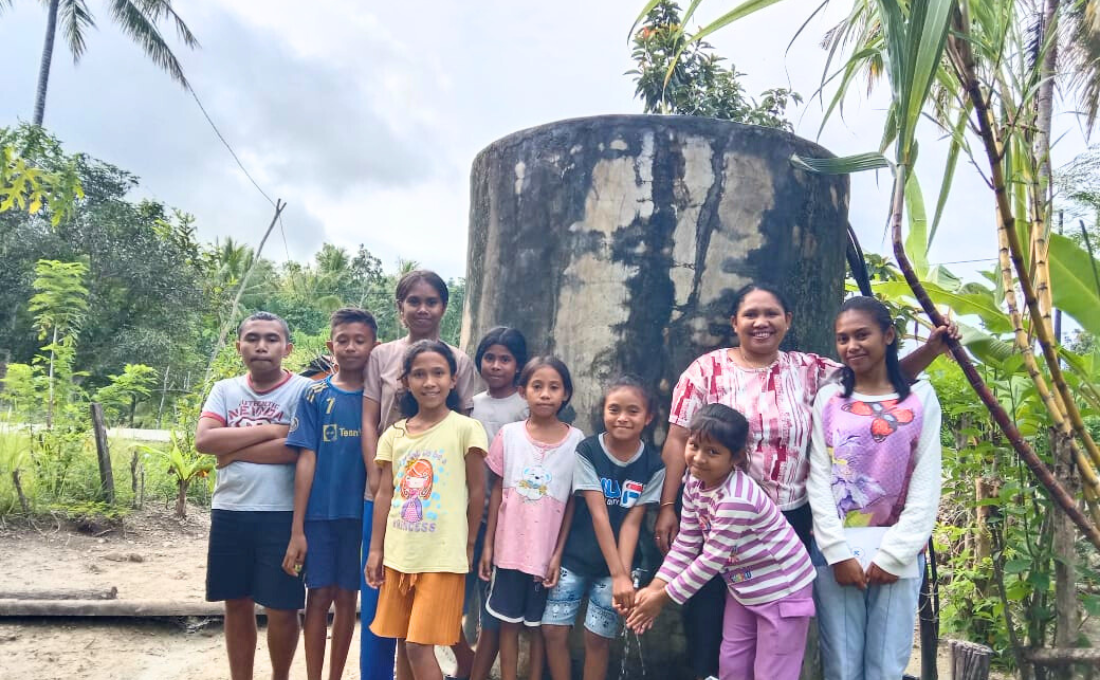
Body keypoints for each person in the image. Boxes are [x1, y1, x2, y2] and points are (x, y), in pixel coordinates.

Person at [654, 283, 954, 679]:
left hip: (786, 521)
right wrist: (668, 506)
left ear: (788, 320)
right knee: (714, 624)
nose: (761, 322)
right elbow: (678, 439)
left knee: (776, 630)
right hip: (715, 516)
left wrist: (931, 350)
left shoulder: (810, 370)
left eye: (771, 313)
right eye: (750, 314)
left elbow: (875, 379)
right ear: (734, 322)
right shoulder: (705, 370)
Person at [627, 403, 816, 680]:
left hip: (783, 591)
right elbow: (687, 543)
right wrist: (655, 587)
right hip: (743, 589)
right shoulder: (694, 482)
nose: (699, 458)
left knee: (773, 672)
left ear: (736, 458)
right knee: (731, 664)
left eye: (712, 452)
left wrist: (662, 599)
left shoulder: (736, 499)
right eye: (694, 446)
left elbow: (711, 560)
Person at [807, 296, 942, 680]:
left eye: (862, 335)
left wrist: (895, 555)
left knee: (886, 668)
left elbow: (926, 481)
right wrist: (836, 552)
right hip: (836, 552)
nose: (852, 346)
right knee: (841, 666)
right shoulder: (830, 398)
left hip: (898, 554)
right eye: (843, 338)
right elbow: (819, 475)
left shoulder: (921, 399)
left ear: (888, 335)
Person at [361, 269, 480, 680]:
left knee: (420, 636)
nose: (423, 309)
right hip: (390, 500)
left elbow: (470, 470)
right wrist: (375, 476)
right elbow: (369, 420)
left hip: (439, 510)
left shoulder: (461, 365)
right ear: (401, 308)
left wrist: (469, 539)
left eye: (431, 301)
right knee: (396, 625)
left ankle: (466, 666)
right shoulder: (382, 357)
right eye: (414, 301)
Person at [195, 311, 311, 680]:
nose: (262, 346)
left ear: (287, 348)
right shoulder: (225, 389)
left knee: (282, 607)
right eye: (252, 338)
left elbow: (296, 450)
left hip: (282, 513)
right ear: (239, 346)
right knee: (236, 602)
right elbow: (205, 440)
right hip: (230, 510)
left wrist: (232, 451)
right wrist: (273, 430)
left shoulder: (303, 391)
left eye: (272, 339)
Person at [542, 375, 665, 680]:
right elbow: (598, 514)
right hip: (575, 557)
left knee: (597, 639)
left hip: (619, 563)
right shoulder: (588, 451)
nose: (622, 418)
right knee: (553, 630)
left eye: (633, 411)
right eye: (614, 409)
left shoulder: (654, 465)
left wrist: (620, 575)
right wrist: (620, 576)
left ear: (648, 417)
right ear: (603, 412)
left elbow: (632, 523)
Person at [281, 308, 377, 680]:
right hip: (320, 515)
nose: (351, 347)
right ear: (330, 344)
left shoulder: (378, 397)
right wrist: (297, 528)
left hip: (362, 515)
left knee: (347, 597)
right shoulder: (314, 394)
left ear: (374, 345)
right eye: (343, 340)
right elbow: (305, 459)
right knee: (318, 596)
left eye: (359, 340)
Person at [479, 356, 583, 680]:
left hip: (545, 556)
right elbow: (497, 491)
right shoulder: (509, 435)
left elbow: (571, 504)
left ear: (566, 393)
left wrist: (558, 554)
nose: (545, 394)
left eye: (554, 387)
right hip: (508, 552)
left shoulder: (577, 442)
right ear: (523, 391)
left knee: (538, 628)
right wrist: (488, 546)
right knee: (507, 625)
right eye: (537, 386)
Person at [467, 327, 530, 680]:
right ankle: (466, 664)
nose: (495, 365)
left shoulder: (526, 407)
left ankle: (476, 673)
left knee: (493, 609)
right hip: (469, 516)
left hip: (509, 522)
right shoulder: (471, 404)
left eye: (505, 359)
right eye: (489, 358)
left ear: (518, 365)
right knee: (462, 601)